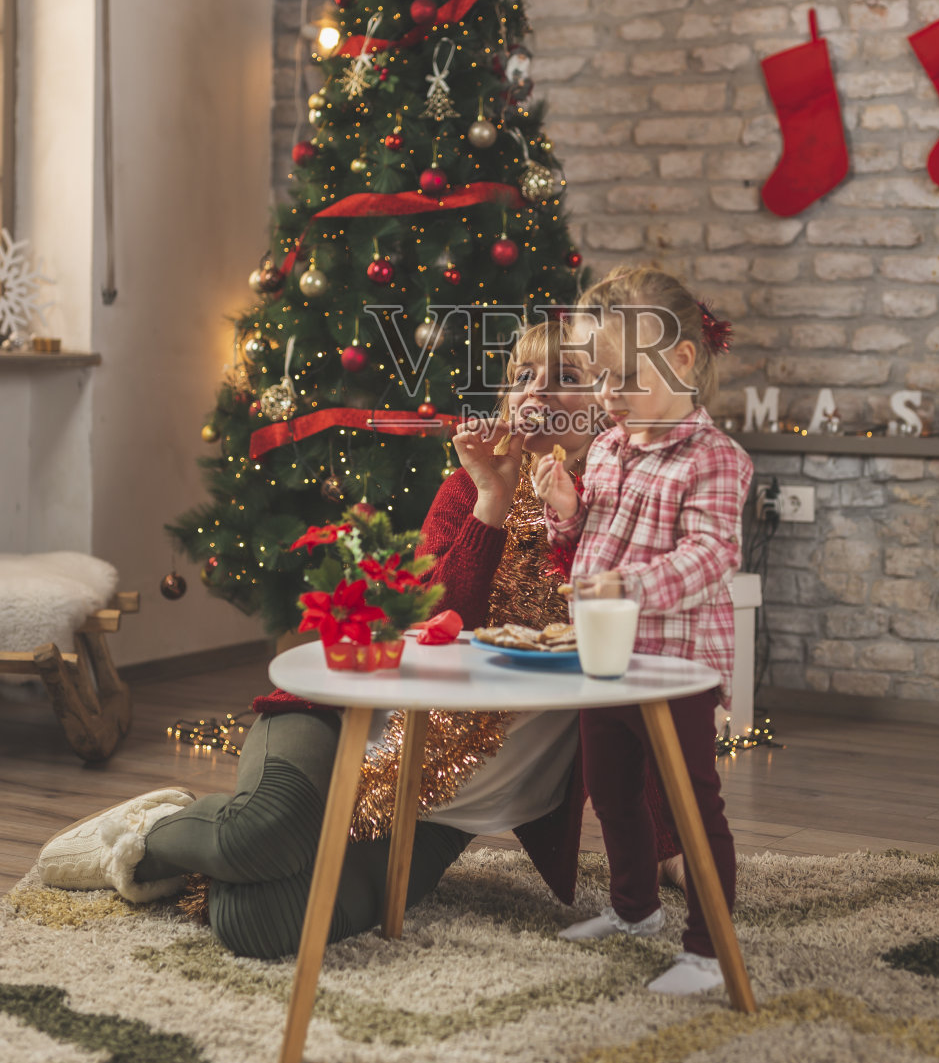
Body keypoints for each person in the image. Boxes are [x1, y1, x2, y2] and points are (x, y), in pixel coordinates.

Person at [37, 319, 678, 956]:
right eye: (522, 377)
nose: (535, 393)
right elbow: (428, 623)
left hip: (441, 813)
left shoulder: (624, 517)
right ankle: (150, 830)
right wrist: (490, 501)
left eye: (564, 378)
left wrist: (673, 843)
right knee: (258, 833)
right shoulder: (467, 490)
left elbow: (639, 683)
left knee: (259, 923)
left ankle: (226, 849)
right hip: (343, 726)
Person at [534, 264, 752, 997]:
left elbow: (711, 555)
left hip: (674, 666)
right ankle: (634, 910)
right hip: (604, 659)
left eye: (622, 379)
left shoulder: (714, 458)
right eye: (598, 379)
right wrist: (565, 507)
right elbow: (582, 541)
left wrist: (626, 587)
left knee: (689, 803)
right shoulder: (605, 448)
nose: (606, 397)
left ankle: (708, 947)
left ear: (681, 361)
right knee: (610, 790)